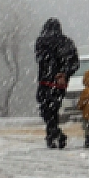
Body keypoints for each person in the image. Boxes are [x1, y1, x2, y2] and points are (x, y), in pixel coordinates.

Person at [34, 18, 79, 149]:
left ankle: (54, 134)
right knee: (53, 110)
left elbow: (40, 60)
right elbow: (74, 63)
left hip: (45, 82)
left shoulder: (41, 42)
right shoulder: (67, 42)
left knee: (46, 110)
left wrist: (58, 72)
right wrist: (64, 73)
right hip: (59, 84)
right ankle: (53, 135)